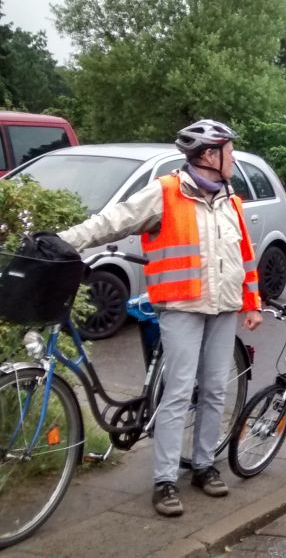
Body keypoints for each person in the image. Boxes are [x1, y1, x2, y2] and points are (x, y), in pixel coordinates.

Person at [58, 119, 263, 517]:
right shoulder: (166, 192)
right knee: (178, 392)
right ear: (209, 155)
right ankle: (165, 480)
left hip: (223, 307)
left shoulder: (230, 200)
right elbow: (113, 220)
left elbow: (245, 258)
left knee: (216, 390)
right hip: (181, 307)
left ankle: (204, 465)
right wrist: (65, 241)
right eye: (230, 152)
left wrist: (251, 302)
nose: (234, 159)